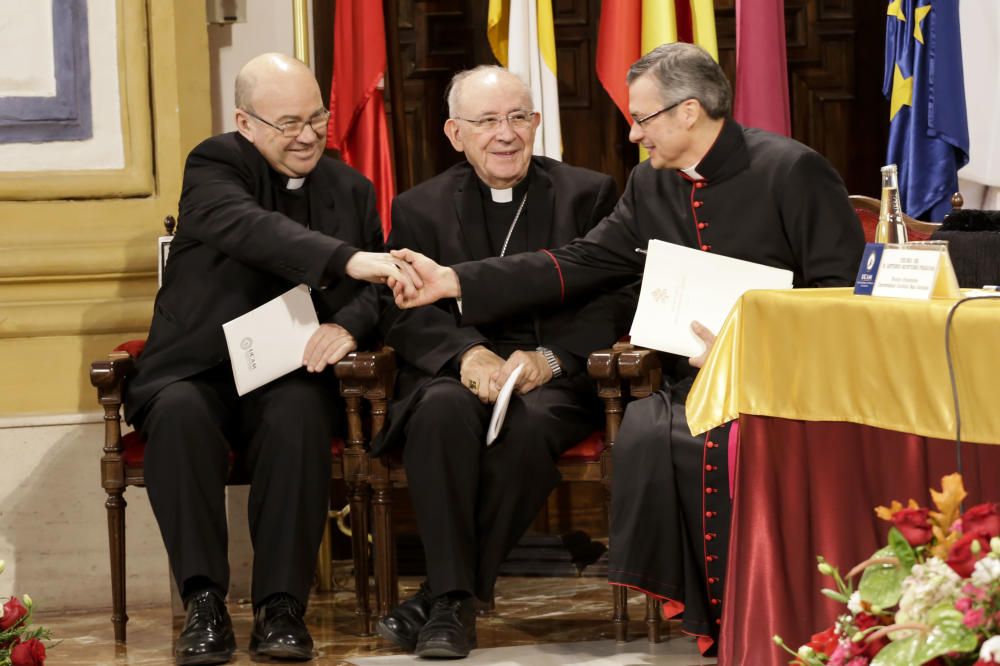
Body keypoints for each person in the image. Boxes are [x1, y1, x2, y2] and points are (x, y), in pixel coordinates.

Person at [389, 43, 865, 655]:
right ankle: (697, 610)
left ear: (687, 113)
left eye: (642, 119)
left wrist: (759, 342)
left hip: (783, 373)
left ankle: (745, 611)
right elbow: (584, 259)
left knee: (676, 439)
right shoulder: (650, 183)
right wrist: (458, 281)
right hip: (691, 379)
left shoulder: (792, 170)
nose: (633, 134)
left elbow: (843, 290)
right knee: (645, 428)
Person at [124, 53, 417, 665]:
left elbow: (376, 290)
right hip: (194, 368)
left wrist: (347, 323)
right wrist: (344, 258)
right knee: (177, 416)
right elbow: (247, 226)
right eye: (288, 123)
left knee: (299, 416)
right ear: (245, 122)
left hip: (288, 372)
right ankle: (203, 604)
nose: (309, 135)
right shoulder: (215, 165)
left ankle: (282, 608)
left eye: (318, 117)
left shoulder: (351, 188)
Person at [372, 65, 637, 659]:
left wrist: (549, 358)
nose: (506, 134)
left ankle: (447, 598)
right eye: (487, 120)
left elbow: (616, 293)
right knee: (439, 411)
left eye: (519, 117)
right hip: (458, 371)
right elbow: (404, 310)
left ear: (537, 123)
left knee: (530, 426)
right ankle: (455, 598)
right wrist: (464, 354)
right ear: (454, 132)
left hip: (554, 377)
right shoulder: (420, 208)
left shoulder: (585, 192)